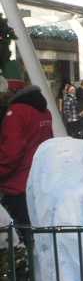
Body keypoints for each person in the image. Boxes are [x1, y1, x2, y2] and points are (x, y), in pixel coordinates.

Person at [0, 85, 54, 225]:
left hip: (18, 182)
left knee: (21, 231)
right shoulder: (44, 112)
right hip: (39, 178)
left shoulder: (16, 112)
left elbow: (11, 151)